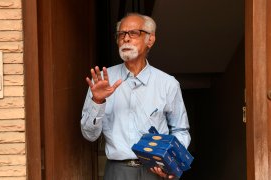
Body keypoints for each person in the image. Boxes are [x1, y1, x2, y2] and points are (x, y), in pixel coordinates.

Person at [80, 13, 190, 180]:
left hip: (155, 171)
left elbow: (180, 129)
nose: (126, 38)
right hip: (117, 172)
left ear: (150, 40)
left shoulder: (168, 84)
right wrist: (98, 101)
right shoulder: (102, 80)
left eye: (133, 33)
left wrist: (171, 162)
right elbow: (89, 135)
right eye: (122, 34)